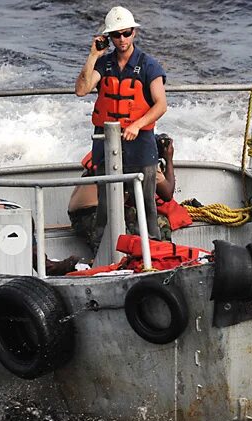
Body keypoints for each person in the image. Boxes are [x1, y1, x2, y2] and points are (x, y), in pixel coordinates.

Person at [74, 6, 168, 254]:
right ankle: (102, 254)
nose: (122, 39)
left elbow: (161, 104)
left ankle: (154, 252)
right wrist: (93, 55)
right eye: (116, 35)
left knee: (147, 205)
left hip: (140, 147)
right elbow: (82, 90)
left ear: (134, 33)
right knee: (105, 206)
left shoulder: (149, 65)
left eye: (126, 33)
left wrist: (137, 125)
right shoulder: (103, 64)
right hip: (107, 146)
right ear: (109, 37)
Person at [68, 132, 191, 251]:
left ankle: (154, 255)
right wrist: (169, 159)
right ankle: (159, 256)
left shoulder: (111, 149)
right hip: (94, 214)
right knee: (153, 226)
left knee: (134, 215)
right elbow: (167, 193)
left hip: (78, 213)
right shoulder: (144, 157)